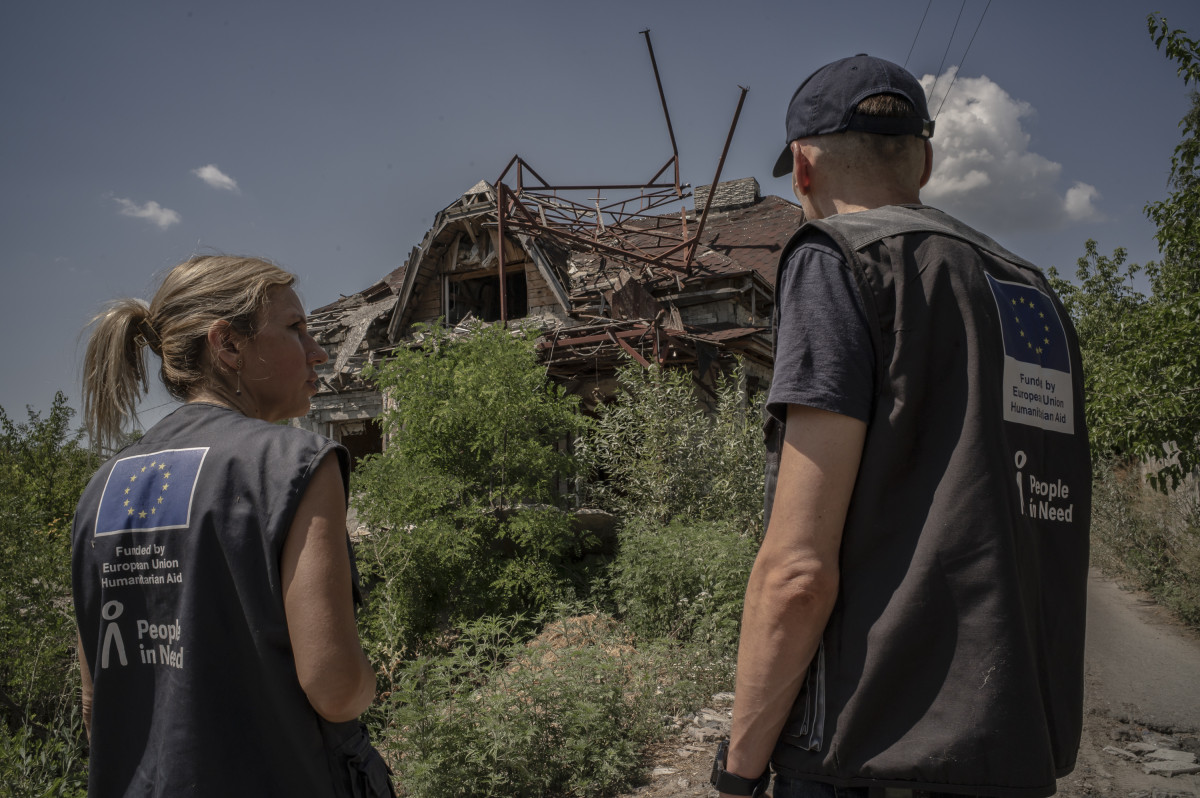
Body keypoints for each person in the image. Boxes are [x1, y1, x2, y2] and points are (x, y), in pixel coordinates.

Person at [710, 56, 1091, 798]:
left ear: (804, 171)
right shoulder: (1030, 291)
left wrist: (737, 773)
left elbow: (797, 572)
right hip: (1014, 747)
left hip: (870, 757)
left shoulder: (837, 262)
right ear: (927, 159)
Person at [72, 255, 391, 797]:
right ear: (229, 345)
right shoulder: (294, 464)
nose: (318, 351)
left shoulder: (102, 488)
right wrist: (370, 682)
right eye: (295, 328)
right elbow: (335, 689)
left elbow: (95, 701)